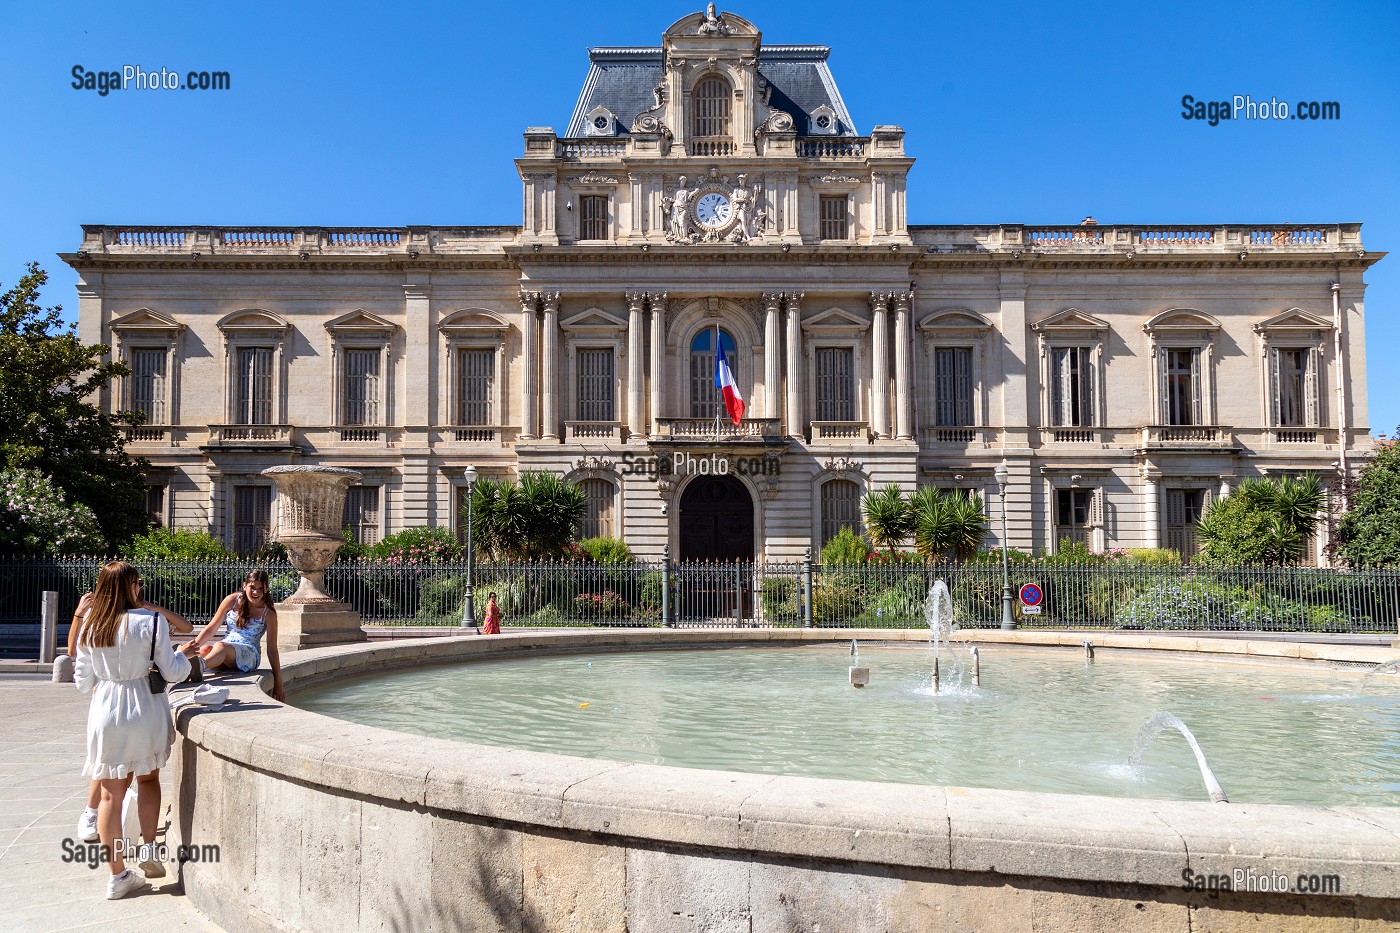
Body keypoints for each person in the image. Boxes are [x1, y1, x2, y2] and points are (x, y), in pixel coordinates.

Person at [74, 561, 192, 899]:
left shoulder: (90, 627)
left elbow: (83, 683)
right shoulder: (151, 621)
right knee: (148, 779)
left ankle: (117, 875)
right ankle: (149, 848)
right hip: (143, 704)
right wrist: (183, 654)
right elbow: (173, 672)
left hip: (105, 708)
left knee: (111, 794)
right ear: (132, 587)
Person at [182, 570, 284, 702]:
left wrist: (278, 681)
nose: (256, 592)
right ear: (244, 586)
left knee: (220, 646)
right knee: (205, 649)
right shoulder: (232, 600)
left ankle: (194, 668)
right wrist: (192, 646)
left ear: (266, 589)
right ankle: (181, 665)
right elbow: (211, 628)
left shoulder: (268, 614)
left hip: (249, 653)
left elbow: (272, 650)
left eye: (260, 588)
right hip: (226, 650)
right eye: (252, 587)